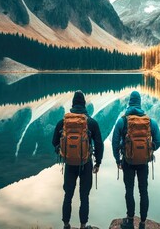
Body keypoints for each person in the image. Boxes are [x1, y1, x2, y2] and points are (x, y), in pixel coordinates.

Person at [52, 90, 104, 229]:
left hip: (69, 163)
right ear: (84, 104)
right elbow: (99, 144)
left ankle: (66, 224)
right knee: (84, 197)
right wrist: (98, 163)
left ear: (73, 104)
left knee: (68, 195)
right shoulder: (91, 123)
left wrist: (61, 150)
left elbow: (54, 141)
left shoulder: (63, 122)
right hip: (86, 163)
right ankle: (83, 225)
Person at [112, 91, 160, 229]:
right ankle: (143, 222)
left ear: (129, 102)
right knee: (143, 190)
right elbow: (158, 140)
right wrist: (149, 149)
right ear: (139, 103)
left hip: (127, 161)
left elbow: (115, 142)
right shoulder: (150, 122)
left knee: (129, 190)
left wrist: (117, 160)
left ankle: (129, 220)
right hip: (143, 162)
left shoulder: (123, 121)